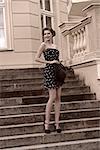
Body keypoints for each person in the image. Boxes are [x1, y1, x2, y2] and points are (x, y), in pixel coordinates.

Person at [35, 27, 63, 134]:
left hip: (58, 71)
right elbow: (36, 58)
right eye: (45, 34)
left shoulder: (55, 46)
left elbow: (56, 59)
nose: (46, 35)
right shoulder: (43, 45)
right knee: (52, 97)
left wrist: (59, 62)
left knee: (58, 98)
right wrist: (49, 62)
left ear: (52, 34)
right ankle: (46, 124)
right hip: (50, 71)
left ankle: (57, 123)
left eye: (48, 33)